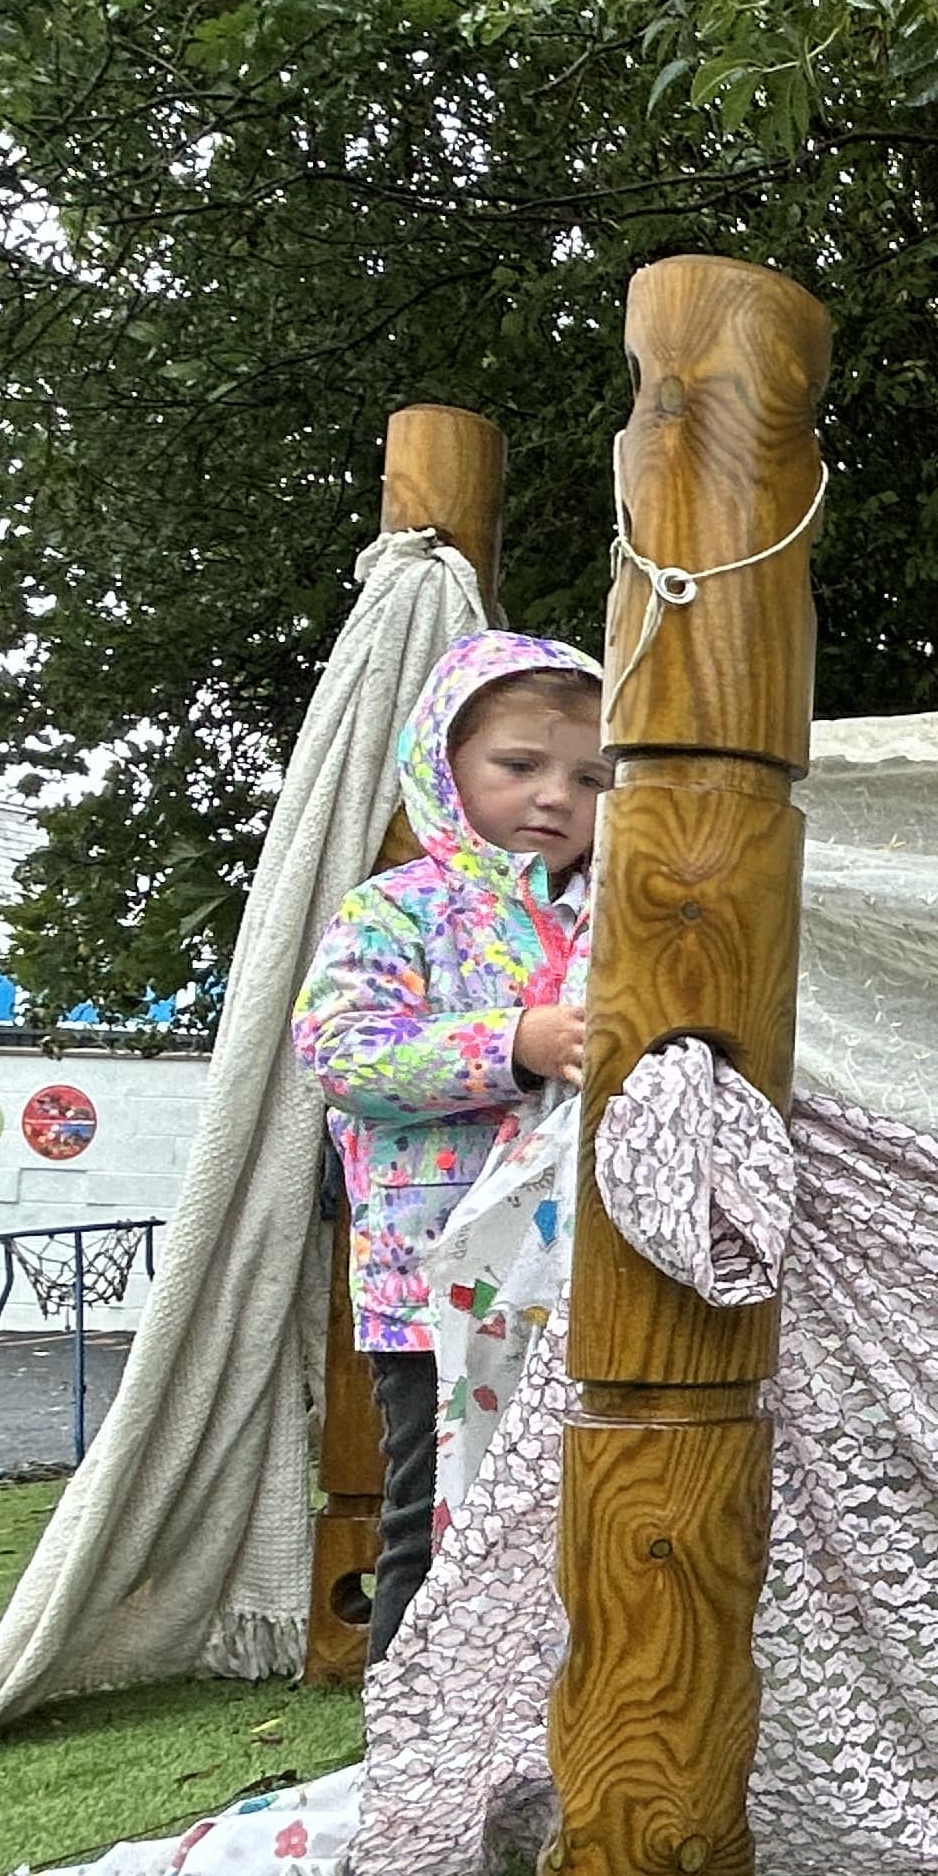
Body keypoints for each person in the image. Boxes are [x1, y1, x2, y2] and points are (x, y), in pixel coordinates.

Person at [294, 631, 606, 1663]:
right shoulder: (397, 910)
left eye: (594, 776)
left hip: (576, 1281)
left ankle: (532, 1741)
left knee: (571, 1516)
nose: (556, 796)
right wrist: (518, 1041)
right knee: (432, 1528)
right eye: (520, 765)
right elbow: (345, 1055)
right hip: (433, 1295)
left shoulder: (616, 915)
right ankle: (408, 1764)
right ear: (444, 763)